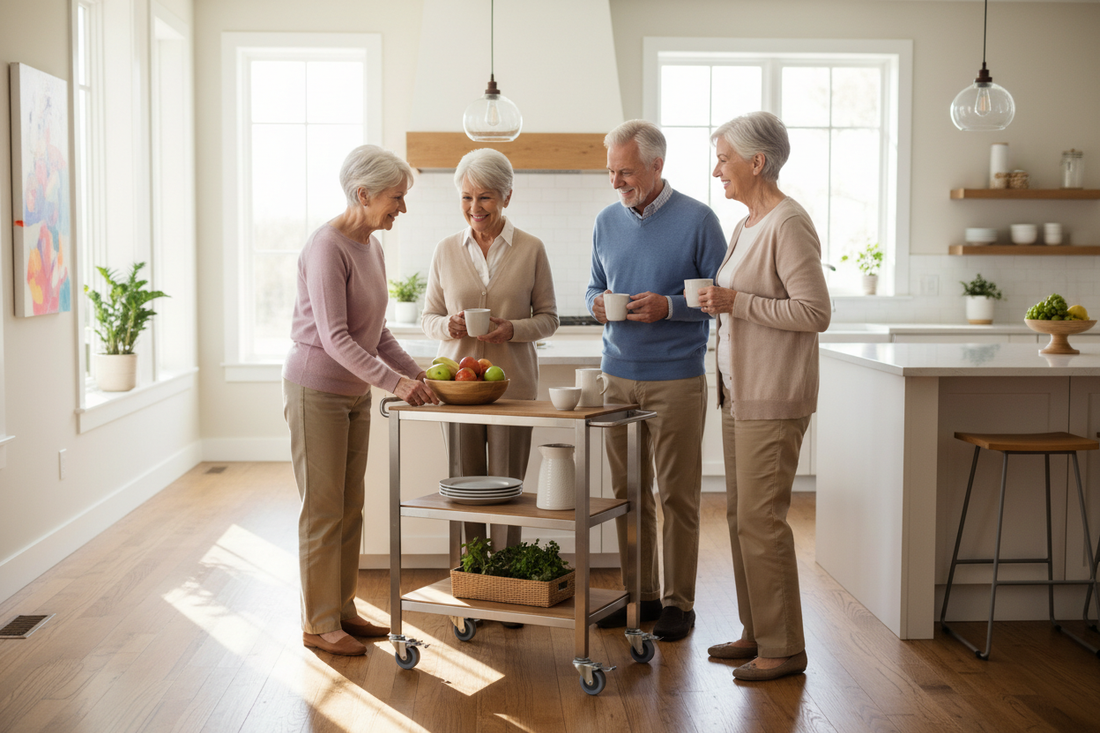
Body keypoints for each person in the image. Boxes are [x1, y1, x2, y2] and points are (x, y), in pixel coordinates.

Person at [283, 144, 440, 657]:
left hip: (351, 394)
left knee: (351, 507)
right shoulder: (326, 247)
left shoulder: (371, 246)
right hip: (316, 390)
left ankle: (343, 609)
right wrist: (396, 385)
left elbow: (375, 333)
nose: (402, 207)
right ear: (363, 193)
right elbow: (334, 337)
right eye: (397, 197)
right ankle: (317, 622)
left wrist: (420, 375)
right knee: (323, 509)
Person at [696, 111, 831, 681]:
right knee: (740, 519)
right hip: (738, 394)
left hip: (774, 397)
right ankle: (757, 632)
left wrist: (734, 304)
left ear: (757, 162)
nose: (715, 169)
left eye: (724, 158)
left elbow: (814, 312)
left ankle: (785, 648)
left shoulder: (787, 223)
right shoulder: (747, 223)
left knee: (762, 519)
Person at [586, 120, 727, 640]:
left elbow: (720, 299)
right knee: (628, 494)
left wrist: (670, 307)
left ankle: (679, 603)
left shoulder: (699, 220)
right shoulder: (605, 221)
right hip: (617, 376)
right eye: (611, 171)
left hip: (676, 379)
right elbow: (593, 286)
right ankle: (639, 595)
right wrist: (596, 305)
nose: (616, 181)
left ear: (656, 165)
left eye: (625, 171)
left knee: (677, 496)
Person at [421, 148, 559, 565]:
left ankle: (507, 575)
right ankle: (472, 572)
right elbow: (428, 317)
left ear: (506, 197)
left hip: (512, 385)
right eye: (466, 197)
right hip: (456, 389)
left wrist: (512, 329)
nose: (474, 207)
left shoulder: (531, 248)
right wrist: (450, 326)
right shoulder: (445, 249)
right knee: (462, 483)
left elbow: (549, 318)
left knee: (507, 484)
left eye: (485, 197)